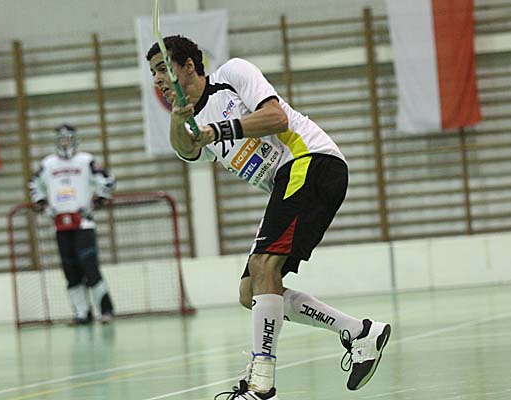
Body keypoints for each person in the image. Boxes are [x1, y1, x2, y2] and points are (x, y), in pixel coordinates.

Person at [146, 35, 391, 399]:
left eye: (163, 68)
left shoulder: (232, 74)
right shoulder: (191, 123)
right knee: (252, 291)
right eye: (152, 73)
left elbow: (276, 117)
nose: (157, 80)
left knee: (264, 265)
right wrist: (180, 119)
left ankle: (261, 384)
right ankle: (360, 333)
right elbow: (184, 149)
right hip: (288, 182)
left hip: (310, 160)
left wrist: (218, 130)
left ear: (190, 66)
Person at [29, 124, 116, 325]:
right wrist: (44, 206)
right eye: (62, 139)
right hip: (60, 226)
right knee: (70, 272)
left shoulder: (86, 161)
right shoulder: (48, 164)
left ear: (75, 140)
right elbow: (33, 184)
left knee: (90, 268)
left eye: (68, 139)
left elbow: (108, 180)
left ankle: (106, 310)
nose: (65, 143)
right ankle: (81, 313)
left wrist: (96, 203)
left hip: (83, 224)